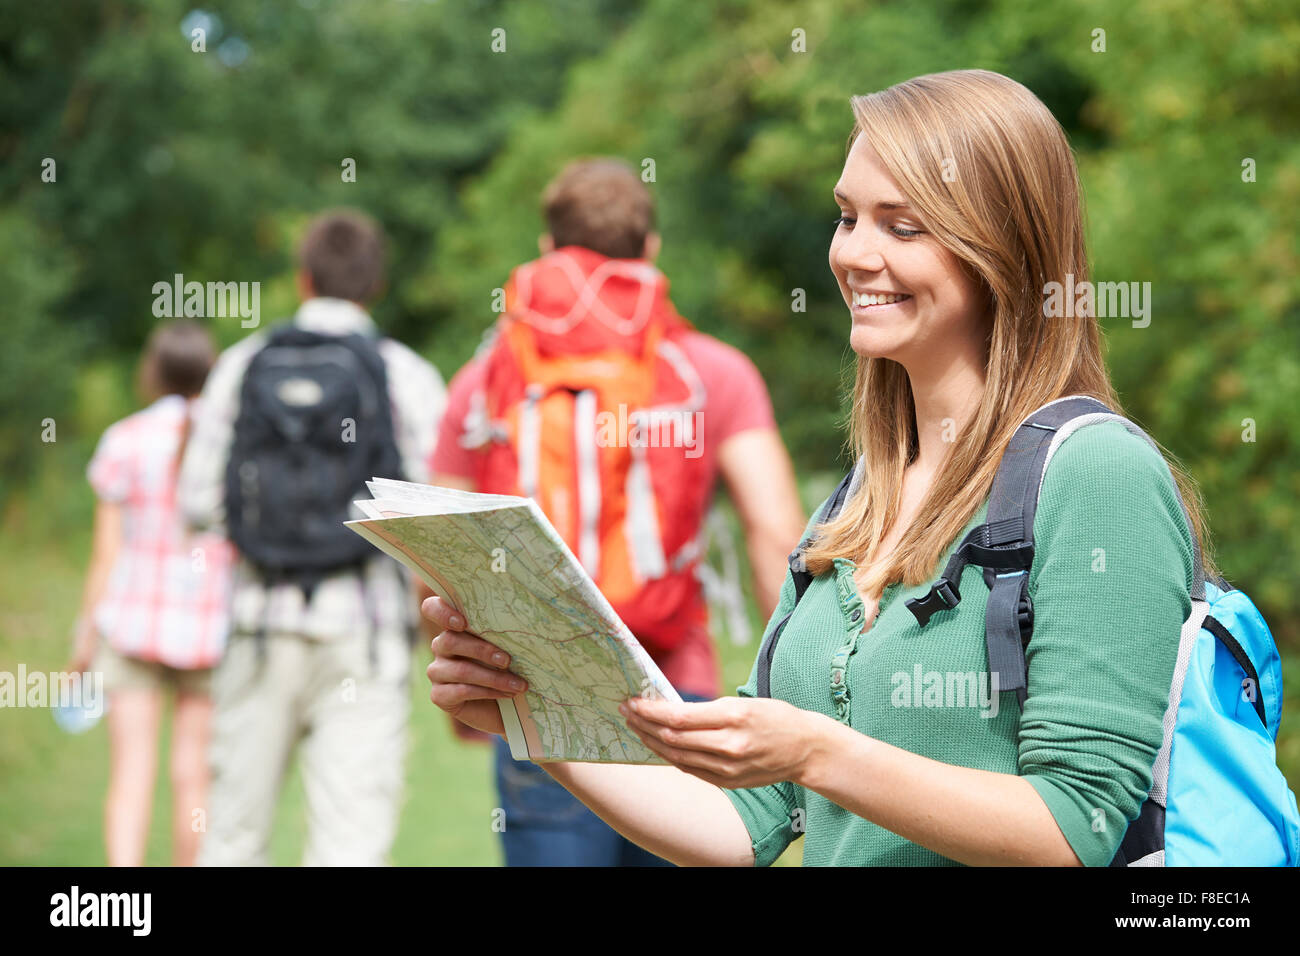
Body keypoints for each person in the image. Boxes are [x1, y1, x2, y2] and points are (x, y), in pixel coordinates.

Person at [421, 70, 1222, 866]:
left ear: (1001, 248)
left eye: (903, 227)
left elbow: (1075, 826)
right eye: (848, 218)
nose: (855, 255)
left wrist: (818, 755)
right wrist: (537, 716)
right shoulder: (866, 492)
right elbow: (741, 823)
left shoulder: (1100, 475)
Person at [424, 157, 805, 866]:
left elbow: (438, 542)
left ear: (547, 249)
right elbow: (775, 530)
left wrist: (466, 683)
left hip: (542, 696)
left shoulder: (487, 379)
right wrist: (791, 695)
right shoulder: (713, 371)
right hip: (676, 689)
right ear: (652, 251)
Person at [178, 209, 446, 866]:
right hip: (367, 634)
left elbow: (195, 501)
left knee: (235, 834)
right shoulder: (403, 373)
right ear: (374, 283)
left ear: (303, 279)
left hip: (257, 626)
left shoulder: (245, 364)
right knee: (350, 841)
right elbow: (436, 515)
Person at [72, 319, 235, 866]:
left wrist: (83, 636)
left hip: (132, 625)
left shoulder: (124, 439)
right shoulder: (229, 443)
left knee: (131, 777)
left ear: (152, 371)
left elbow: (106, 556)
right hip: (210, 628)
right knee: (193, 781)